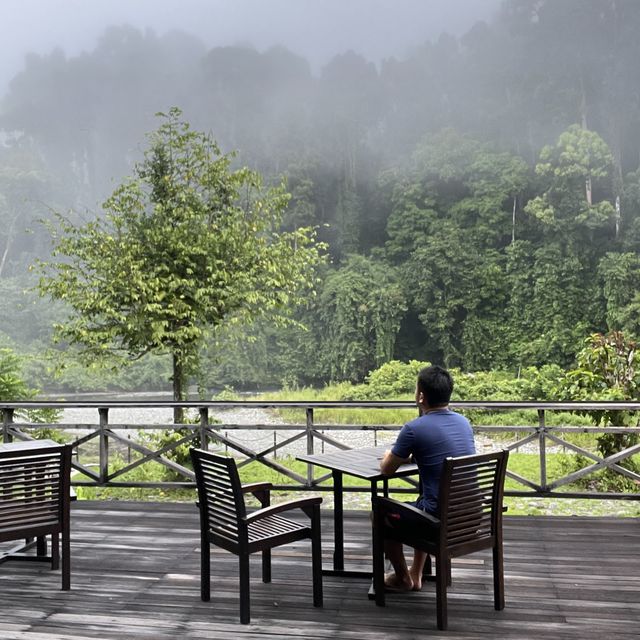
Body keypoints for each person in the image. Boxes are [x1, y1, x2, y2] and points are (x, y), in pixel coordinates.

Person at [378, 364, 475, 592]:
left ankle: (403, 578)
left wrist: (391, 456)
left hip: (438, 522)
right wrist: (412, 457)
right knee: (423, 501)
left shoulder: (413, 428)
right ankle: (416, 573)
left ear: (421, 396)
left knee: (379, 513)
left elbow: (386, 470)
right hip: (472, 519)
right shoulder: (464, 423)